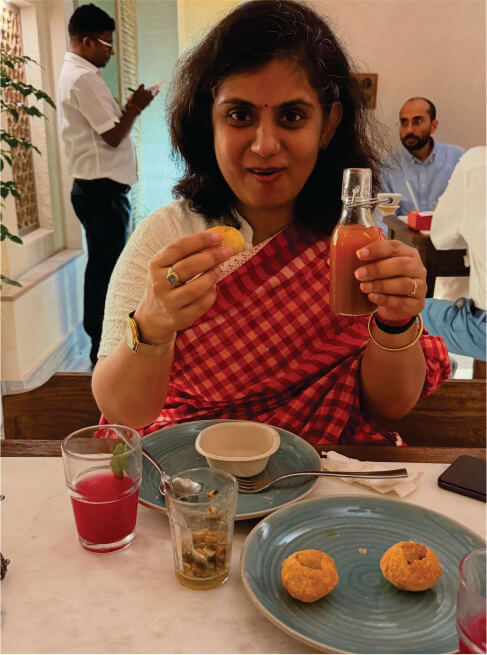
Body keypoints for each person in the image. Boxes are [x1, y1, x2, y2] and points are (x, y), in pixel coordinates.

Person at [92, 0, 449, 445]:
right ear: (209, 122)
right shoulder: (166, 238)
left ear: (328, 124)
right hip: (191, 473)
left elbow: (386, 408)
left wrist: (397, 322)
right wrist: (152, 324)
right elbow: (123, 411)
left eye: (292, 117)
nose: (264, 145)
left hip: (319, 474)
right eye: (240, 115)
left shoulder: (352, 242)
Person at [57, 3, 156, 366]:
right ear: (87, 41)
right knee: (106, 270)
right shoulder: (83, 78)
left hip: (97, 189)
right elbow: (113, 136)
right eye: (106, 44)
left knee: (103, 266)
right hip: (101, 192)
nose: (111, 53)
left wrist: (128, 108)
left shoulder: (77, 73)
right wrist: (136, 107)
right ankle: (103, 346)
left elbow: (107, 129)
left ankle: (102, 341)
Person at [422, 147, 486, 361]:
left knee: (403, 314)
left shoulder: (476, 164)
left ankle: (439, 367)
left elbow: (441, 239)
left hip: (482, 330)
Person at [379, 98, 464, 216]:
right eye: (404, 122)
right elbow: (384, 218)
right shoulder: (388, 166)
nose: (409, 130)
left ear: (433, 126)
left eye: (417, 121)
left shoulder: (458, 158)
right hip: (403, 228)